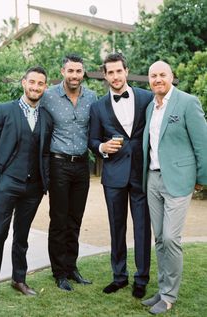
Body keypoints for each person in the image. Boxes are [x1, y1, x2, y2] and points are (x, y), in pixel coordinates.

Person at [0, 66, 52, 303]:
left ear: (45, 86)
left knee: (22, 236)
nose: (35, 87)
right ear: (24, 83)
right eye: (32, 82)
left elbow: (45, 152)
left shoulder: (46, 116)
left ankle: (18, 279)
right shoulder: (4, 110)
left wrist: (45, 182)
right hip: (7, 183)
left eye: (40, 83)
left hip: (33, 188)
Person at [142, 61, 207, 315]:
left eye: (162, 75)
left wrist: (201, 178)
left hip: (179, 180)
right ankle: (162, 289)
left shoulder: (187, 102)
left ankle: (169, 295)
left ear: (172, 77)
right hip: (153, 180)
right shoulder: (150, 107)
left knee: (171, 238)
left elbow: (203, 144)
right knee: (159, 238)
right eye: (153, 76)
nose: (158, 79)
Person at [89, 52, 152, 298]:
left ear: (126, 71)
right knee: (117, 228)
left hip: (141, 173)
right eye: (110, 72)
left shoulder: (147, 98)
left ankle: (142, 278)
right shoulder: (98, 107)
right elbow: (92, 140)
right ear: (105, 76)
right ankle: (119, 276)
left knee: (142, 229)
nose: (115, 76)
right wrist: (102, 147)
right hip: (113, 176)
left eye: (119, 71)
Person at [41, 54, 97, 291]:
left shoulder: (92, 97)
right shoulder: (48, 96)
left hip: (82, 165)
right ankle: (59, 272)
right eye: (70, 70)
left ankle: (72, 267)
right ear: (62, 71)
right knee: (59, 219)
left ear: (83, 73)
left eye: (79, 71)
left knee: (75, 219)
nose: (75, 75)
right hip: (58, 164)